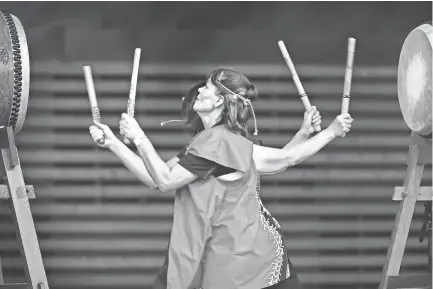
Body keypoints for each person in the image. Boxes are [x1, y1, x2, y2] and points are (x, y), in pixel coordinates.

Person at [89, 67, 352, 289]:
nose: (199, 91)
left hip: (246, 256)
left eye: (206, 88)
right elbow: (154, 177)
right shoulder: (213, 141)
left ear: (219, 102)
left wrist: (329, 132)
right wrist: (114, 143)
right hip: (228, 248)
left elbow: (166, 180)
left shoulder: (220, 143)